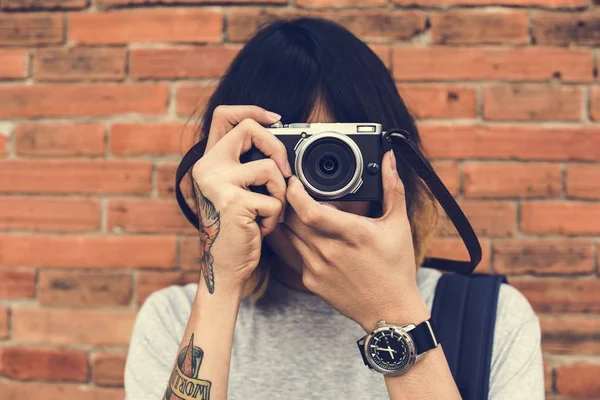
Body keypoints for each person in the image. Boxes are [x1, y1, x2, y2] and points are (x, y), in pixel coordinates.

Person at [124, 17, 544, 400]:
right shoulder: (174, 320)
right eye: (296, 153)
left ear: (391, 158)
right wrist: (220, 279)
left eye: (343, 156)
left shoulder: (491, 321)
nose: (323, 192)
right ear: (236, 164)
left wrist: (395, 315)